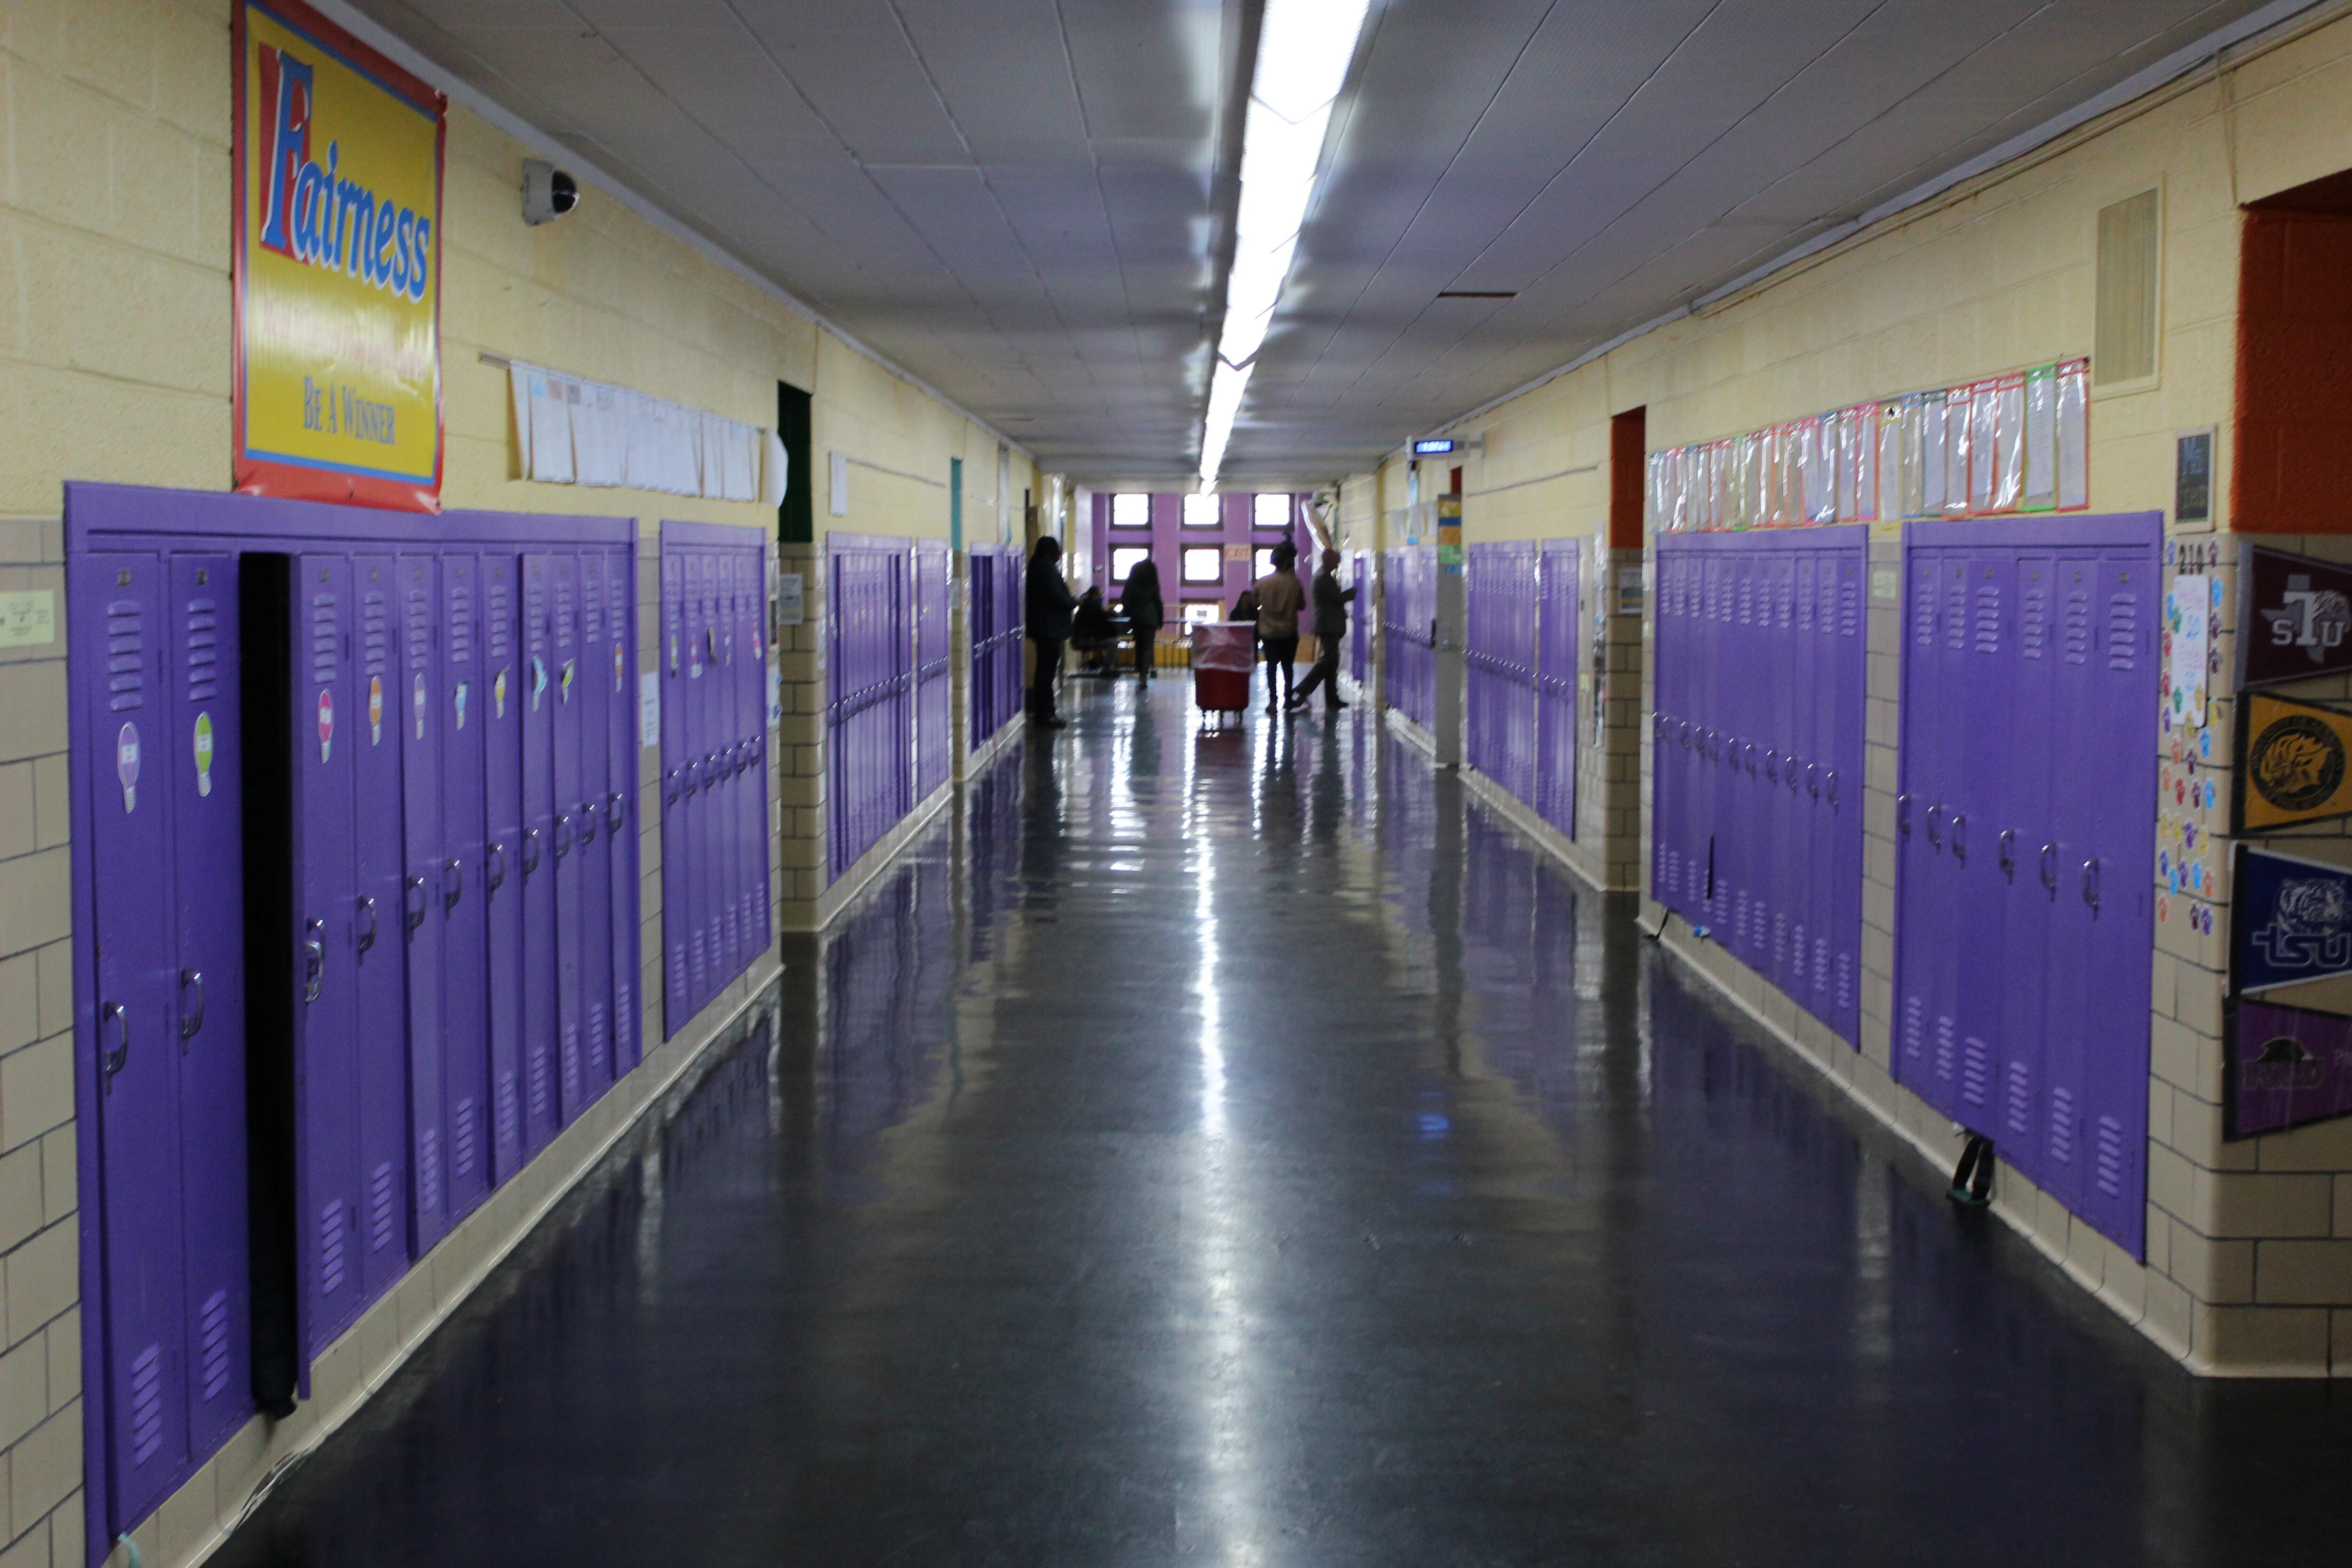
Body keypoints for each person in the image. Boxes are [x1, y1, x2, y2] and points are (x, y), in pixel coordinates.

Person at [1288, 547, 1357, 712]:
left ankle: (1332, 698)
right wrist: (1352, 592)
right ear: (1327, 559)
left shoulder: (1324, 575)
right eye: (1336, 559)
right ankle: (1303, 688)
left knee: (1332, 663)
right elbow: (1337, 598)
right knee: (1328, 660)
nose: (1338, 562)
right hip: (1328, 625)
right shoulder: (1324, 578)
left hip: (1329, 625)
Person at [1025, 535, 1076, 728]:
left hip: (1043, 628)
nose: (1059, 556)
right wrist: (1074, 602)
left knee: (1044, 671)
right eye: (1057, 552)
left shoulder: (1036, 566)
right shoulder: (1046, 570)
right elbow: (1058, 597)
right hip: (1049, 629)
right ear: (1051, 552)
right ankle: (1046, 714)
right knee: (1047, 672)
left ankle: (1044, 712)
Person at [1251, 540, 1305, 715]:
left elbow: (1254, 603)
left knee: (1271, 667)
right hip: (1289, 631)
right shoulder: (1295, 584)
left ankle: (1273, 701)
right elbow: (1301, 606)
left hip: (1268, 632)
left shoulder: (1262, 584)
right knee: (1288, 667)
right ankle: (1288, 700)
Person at [1117, 557, 1163, 680]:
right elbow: (1159, 603)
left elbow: (1125, 601)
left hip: (1137, 618)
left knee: (1139, 645)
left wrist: (1130, 612)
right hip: (1151, 618)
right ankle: (1144, 674)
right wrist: (1160, 620)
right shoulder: (1154, 584)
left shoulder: (1131, 584)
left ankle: (1140, 670)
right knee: (1148, 647)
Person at [1070, 586, 1115, 672]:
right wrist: (1113, 614)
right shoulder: (1091, 607)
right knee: (1112, 643)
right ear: (1095, 595)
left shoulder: (1087, 605)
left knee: (1108, 641)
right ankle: (1107, 670)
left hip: (1083, 638)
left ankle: (1102, 665)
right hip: (1086, 639)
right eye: (1100, 595)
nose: (1101, 598)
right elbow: (1102, 615)